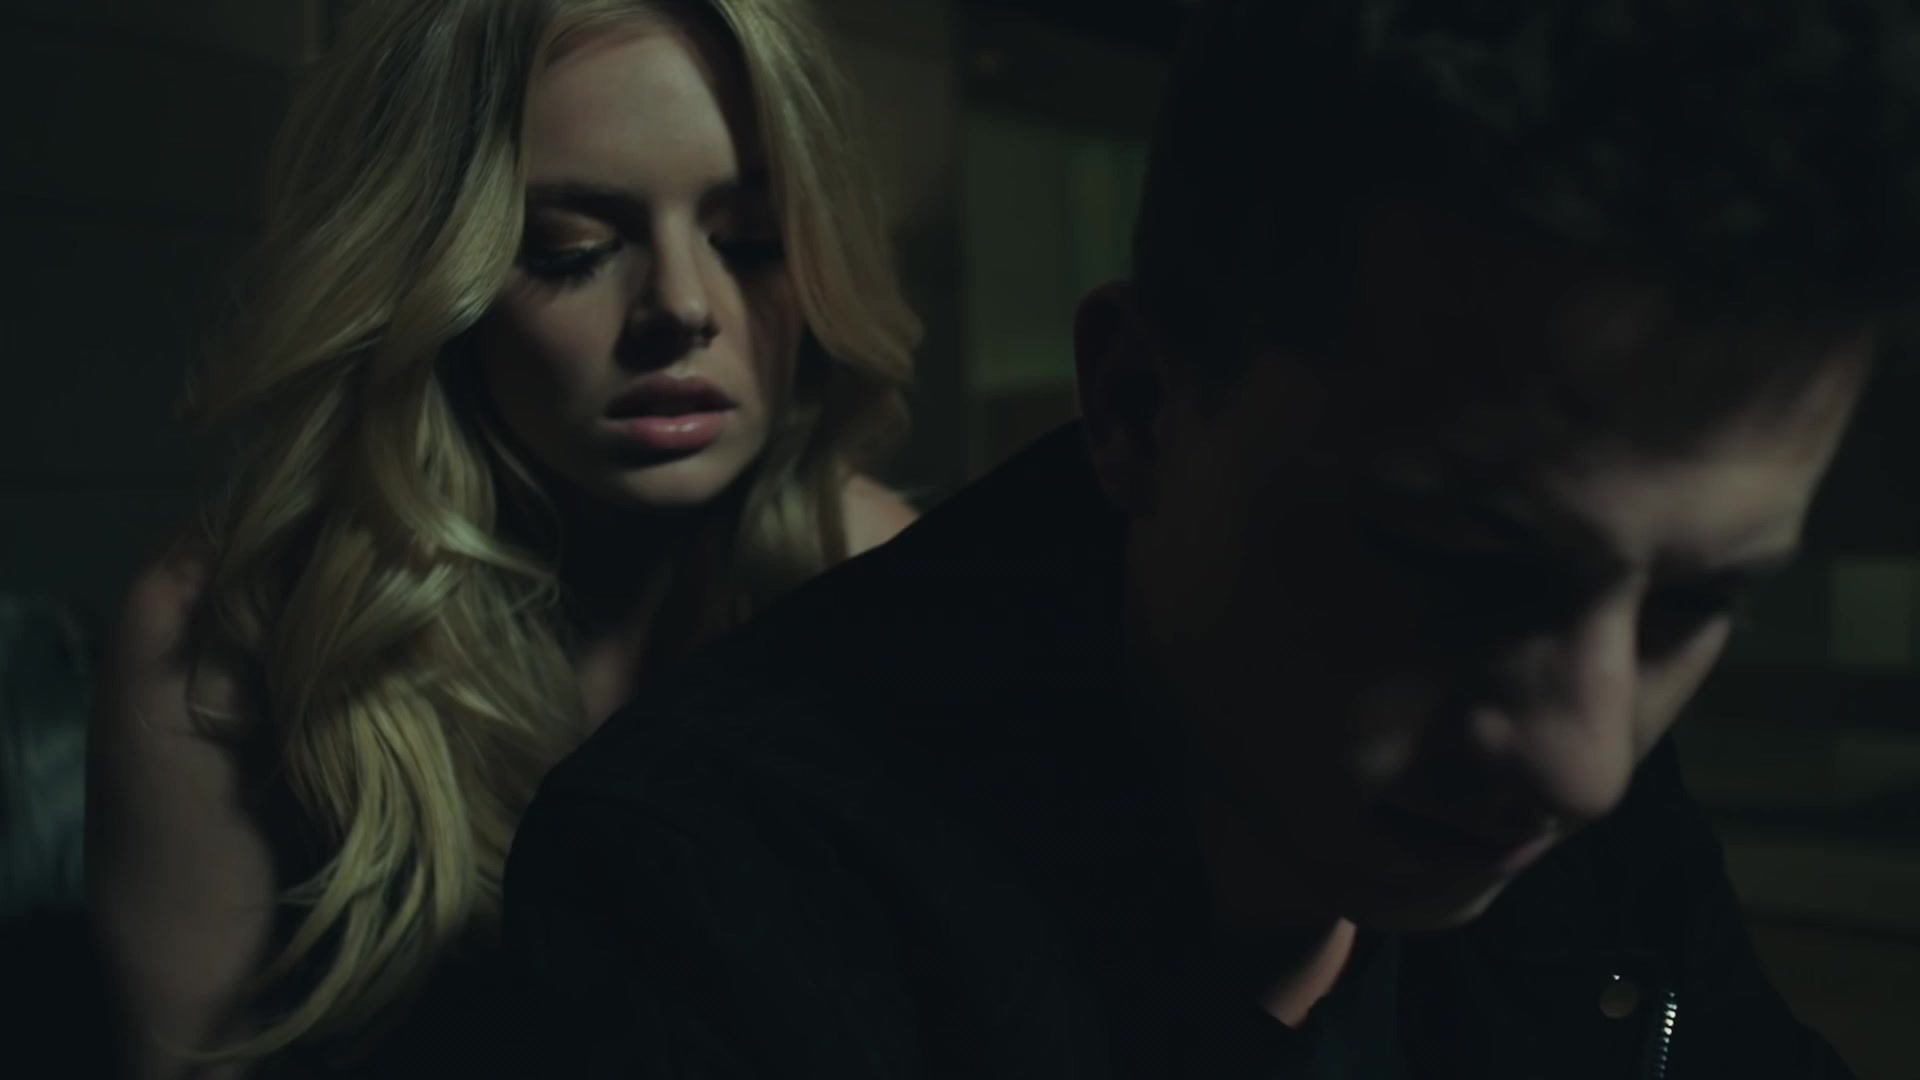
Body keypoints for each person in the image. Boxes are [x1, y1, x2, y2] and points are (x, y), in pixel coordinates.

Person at [505, 0, 1920, 1076]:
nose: (1588, 762)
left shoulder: (1570, 682)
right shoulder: (715, 897)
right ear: (1137, 407)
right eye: (1459, 569)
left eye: (1694, 605)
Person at [85, 0, 919, 1075]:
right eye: (572, 250)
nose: (682, 306)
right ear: (430, 270)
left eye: (749, 238)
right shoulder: (228, 638)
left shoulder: (877, 577)